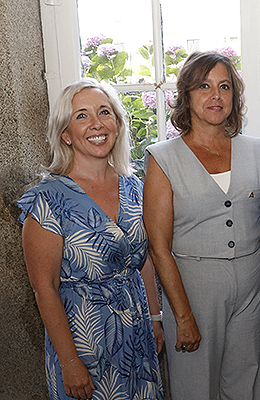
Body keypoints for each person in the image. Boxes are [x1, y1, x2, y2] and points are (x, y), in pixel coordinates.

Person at [143, 51, 260, 400]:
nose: (215, 96)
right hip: (193, 291)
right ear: (187, 96)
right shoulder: (163, 158)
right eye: (204, 86)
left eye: (224, 86)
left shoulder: (256, 151)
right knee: (195, 388)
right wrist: (183, 315)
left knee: (247, 384)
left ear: (235, 96)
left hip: (253, 289)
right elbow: (159, 247)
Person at [18, 78, 164, 400]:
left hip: (138, 338)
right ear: (65, 134)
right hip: (83, 345)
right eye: (81, 115)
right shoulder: (47, 202)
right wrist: (70, 362)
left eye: (104, 112)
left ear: (118, 123)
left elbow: (145, 262)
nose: (96, 123)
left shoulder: (135, 188)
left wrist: (155, 319)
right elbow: (44, 289)